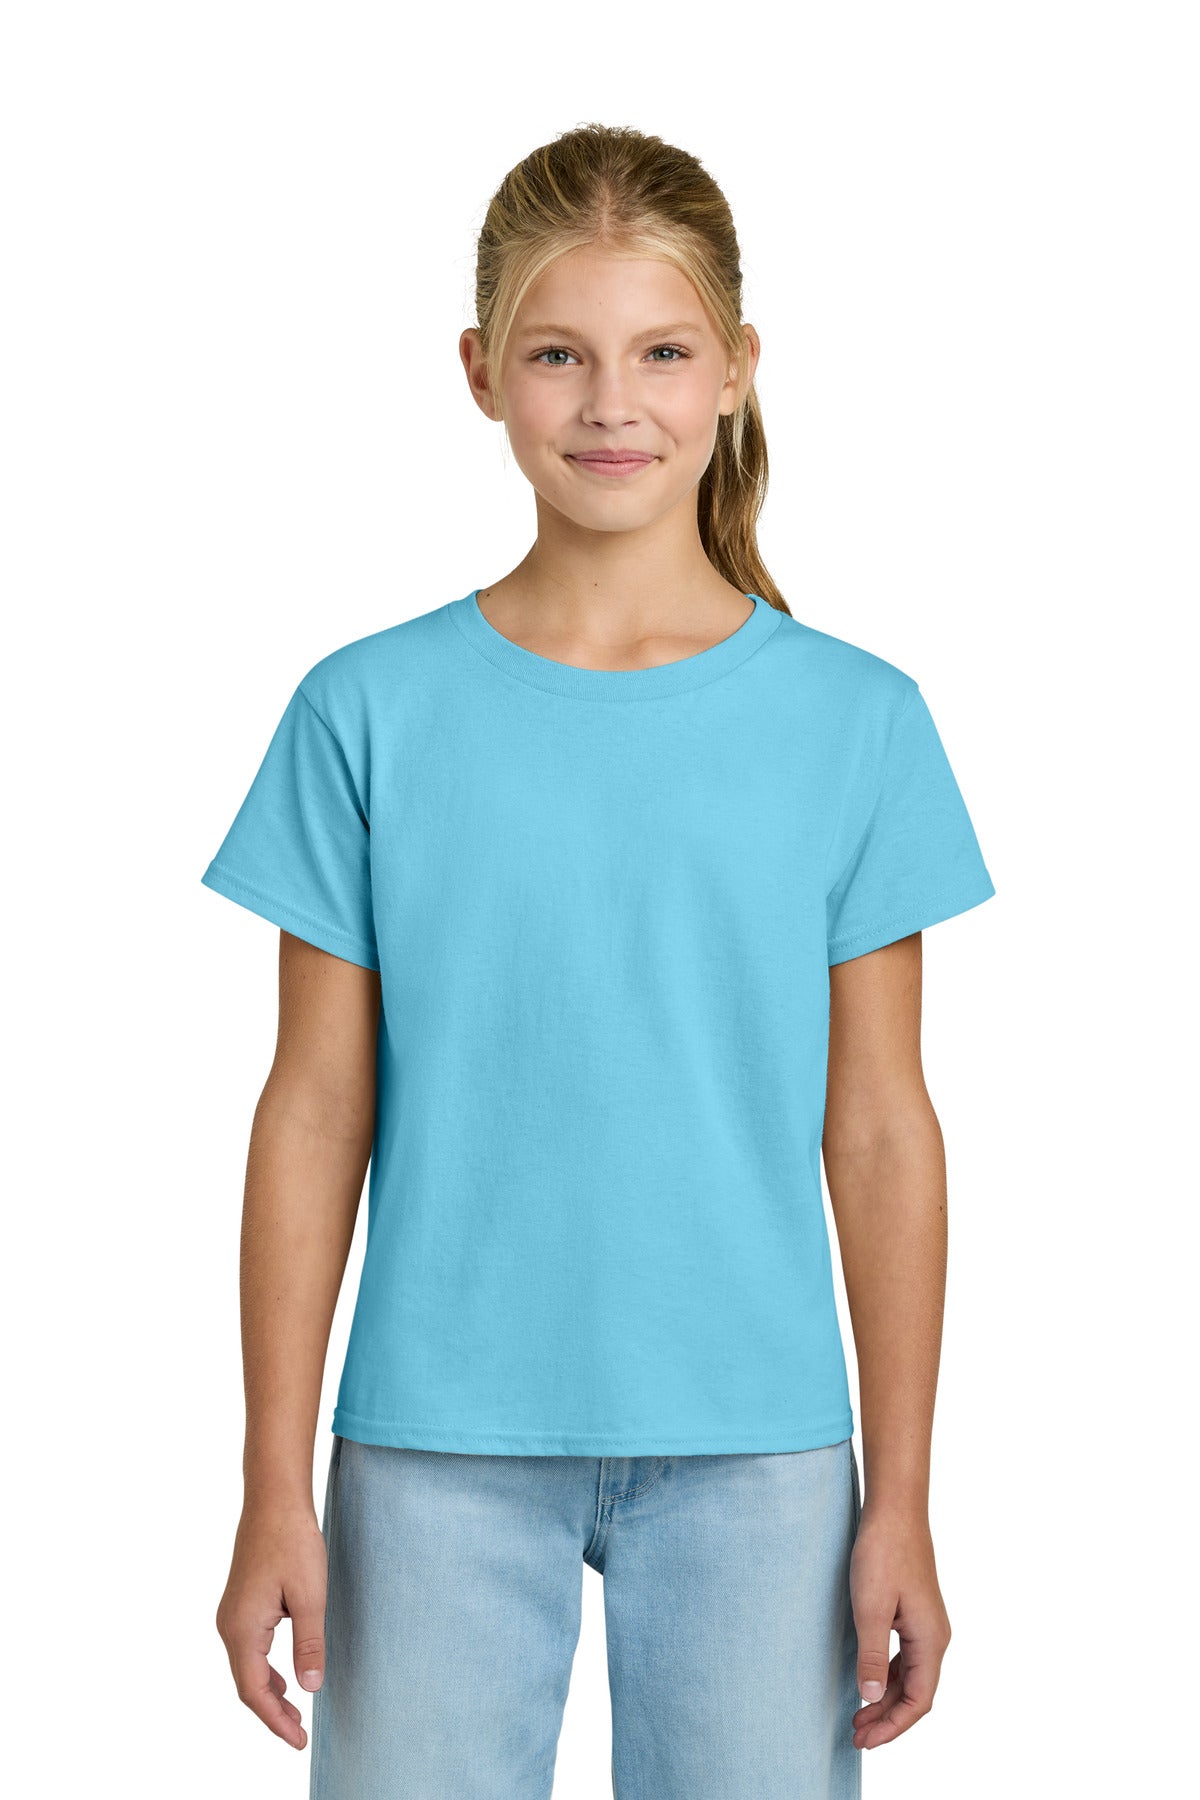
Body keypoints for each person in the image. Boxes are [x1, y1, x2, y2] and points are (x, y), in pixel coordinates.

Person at [203, 123, 996, 1800]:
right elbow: (313, 1111)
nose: (610, 403)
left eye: (662, 354)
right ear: (480, 372)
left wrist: (905, 1497)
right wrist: (273, 1479)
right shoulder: (366, 712)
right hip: (429, 1443)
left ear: (738, 370)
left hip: (761, 1453)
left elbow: (879, 1129)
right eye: (559, 354)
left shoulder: (857, 722)